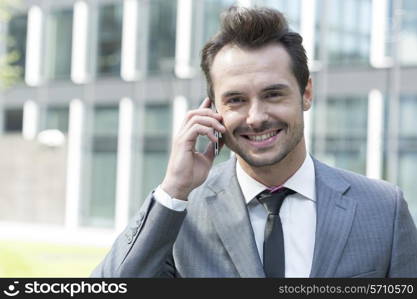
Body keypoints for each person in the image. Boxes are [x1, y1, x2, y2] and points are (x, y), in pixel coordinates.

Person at [92, 6, 417, 278]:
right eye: (236, 100)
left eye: (273, 94)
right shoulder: (181, 213)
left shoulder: (383, 208)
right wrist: (174, 190)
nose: (256, 117)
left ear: (306, 94)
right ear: (213, 109)